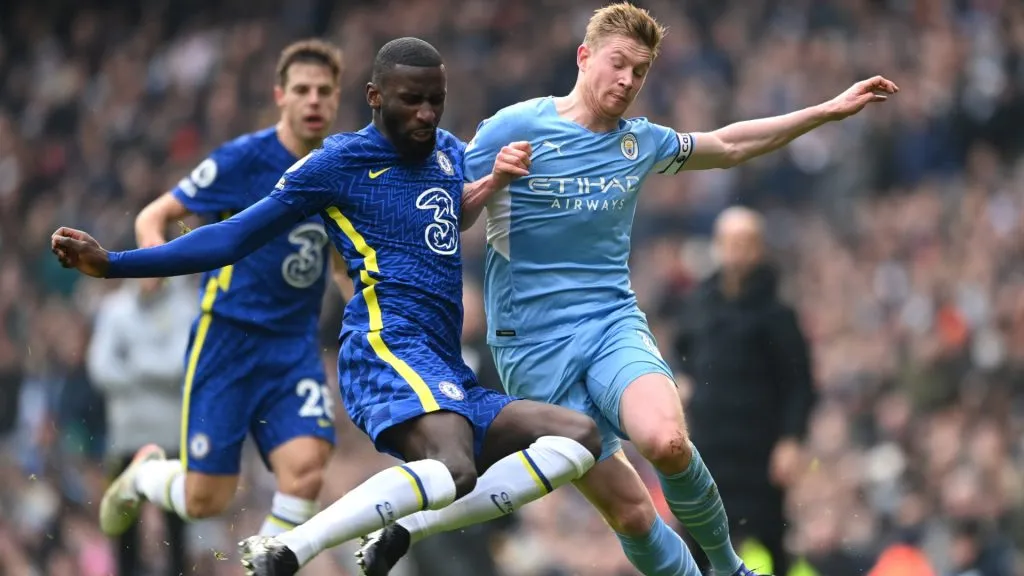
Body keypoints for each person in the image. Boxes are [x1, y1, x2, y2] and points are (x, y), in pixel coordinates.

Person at [361, 4, 897, 576]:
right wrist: (495, 181)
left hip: (610, 323)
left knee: (667, 442)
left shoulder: (639, 143)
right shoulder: (511, 128)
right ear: (584, 57)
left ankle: (729, 567)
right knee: (634, 515)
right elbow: (450, 219)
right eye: (618, 64)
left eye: (640, 72)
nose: (627, 81)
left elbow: (729, 144)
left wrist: (829, 111)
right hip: (532, 350)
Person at [49, 37, 603, 576]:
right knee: (446, 467)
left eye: (437, 99)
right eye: (413, 99)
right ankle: (289, 549)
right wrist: (115, 262)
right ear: (375, 96)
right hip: (385, 349)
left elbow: (444, 217)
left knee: (580, 438)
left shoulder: (448, 152)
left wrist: (489, 185)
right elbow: (232, 237)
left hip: (442, 362)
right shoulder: (338, 164)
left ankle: (403, 530)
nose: (428, 113)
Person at [96, 38, 352, 542]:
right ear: (280, 95)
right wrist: (154, 259)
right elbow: (156, 214)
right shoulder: (242, 159)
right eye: (302, 89)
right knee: (205, 501)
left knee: (307, 470)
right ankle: (145, 473)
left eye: (324, 90)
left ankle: (270, 560)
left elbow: (343, 263)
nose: (314, 100)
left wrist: (373, 320)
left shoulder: (341, 168)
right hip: (227, 339)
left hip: (292, 348)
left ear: (339, 97)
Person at [672, 207, 816, 576]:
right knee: (693, 541)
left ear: (758, 248)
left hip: (759, 451)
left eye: (745, 243)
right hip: (708, 446)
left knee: (770, 542)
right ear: (717, 246)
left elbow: (800, 383)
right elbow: (680, 353)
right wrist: (682, 380)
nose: (736, 251)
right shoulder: (699, 304)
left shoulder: (777, 314)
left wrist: (791, 440)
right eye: (729, 243)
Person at [86, 277, 196, 575]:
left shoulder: (184, 307)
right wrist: (155, 374)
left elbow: (182, 364)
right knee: (124, 532)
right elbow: (99, 367)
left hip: (170, 438)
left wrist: (134, 364)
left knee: (176, 531)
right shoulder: (114, 310)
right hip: (125, 440)